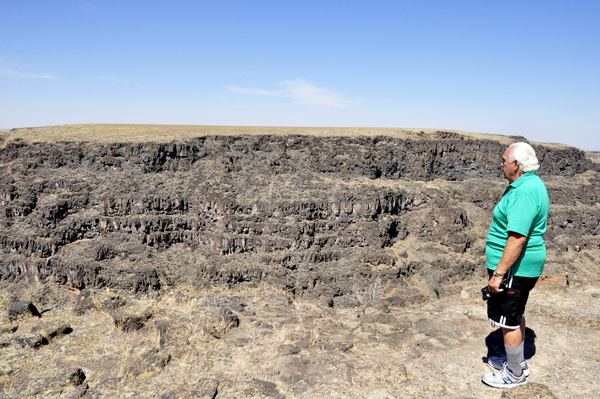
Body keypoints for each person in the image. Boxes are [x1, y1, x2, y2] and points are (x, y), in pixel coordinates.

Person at [481, 142, 550, 388]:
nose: (501, 163)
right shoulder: (531, 183)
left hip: (514, 268)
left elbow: (518, 238)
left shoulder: (523, 191)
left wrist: (498, 274)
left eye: (504, 159)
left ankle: (514, 374)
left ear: (516, 164)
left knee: (507, 317)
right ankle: (515, 363)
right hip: (518, 267)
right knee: (515, 313)